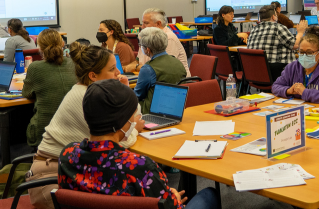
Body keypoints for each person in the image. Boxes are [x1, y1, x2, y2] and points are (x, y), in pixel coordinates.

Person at [58, 79, 219, 209]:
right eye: (132, 116)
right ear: (122, 122)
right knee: (209, 195)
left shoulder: (67, 155)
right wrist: (174, 199)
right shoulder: (139, 166)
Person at [28, 44, 136, 209]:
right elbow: (120, 143)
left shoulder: (92, 93)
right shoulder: (85, 98)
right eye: (112, 69)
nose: (118, 73)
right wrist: (135, 129)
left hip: (71, 171)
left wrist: (124, 91)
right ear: (93, 75)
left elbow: (129, 122)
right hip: (51, 182)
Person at [22, 29, 77, 148]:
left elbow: (26, 93)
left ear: (39, 47)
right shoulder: (74, 63)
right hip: (75, 129)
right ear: (62, 44)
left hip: (44, 132)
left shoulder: (35, 67)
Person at [272, 26, 319, 104]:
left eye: (309, 52)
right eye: (301, 52)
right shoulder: (293, 67)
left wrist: (305, 92)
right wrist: (288, 91)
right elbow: (275, 86)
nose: (304, 56)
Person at [134, 28, 187, 114]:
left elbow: (137, 95)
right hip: (176, 109)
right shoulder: (178, 62)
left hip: (151, 111)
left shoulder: (148, 68)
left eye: (141, 46)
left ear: (147, 49)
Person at [248, 5, 307, 82]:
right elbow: (295, 45)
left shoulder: (254, 30)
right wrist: (300, 32)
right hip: (278, 74)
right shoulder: (278, 27)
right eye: (276, 15)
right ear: (273, 17)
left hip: (256, 74)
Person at [138, 8, 190, 74]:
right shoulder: (146, 37)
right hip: (150, 75)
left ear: (158, 24)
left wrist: (138, 67)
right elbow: (138, 60)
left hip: (174, 81)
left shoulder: (168, 38)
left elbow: (164, 68)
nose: (142, 26)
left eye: (146, 23)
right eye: (142, 23)